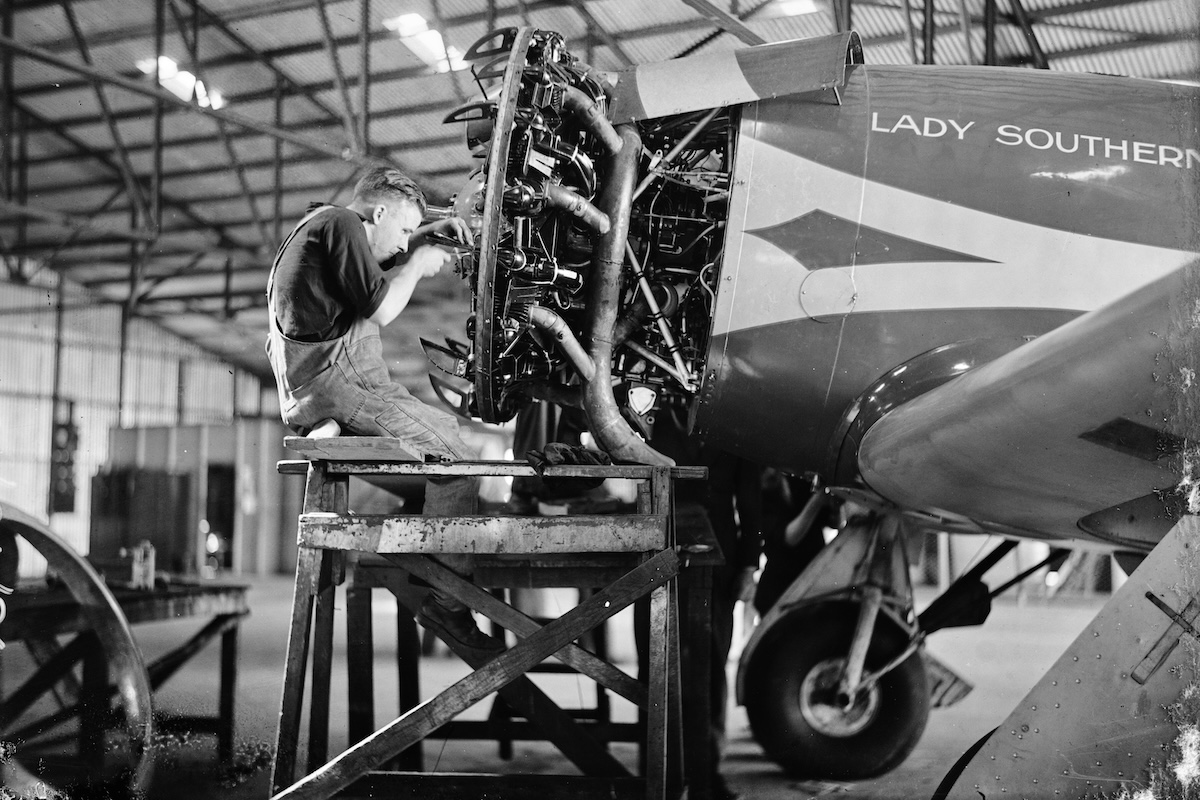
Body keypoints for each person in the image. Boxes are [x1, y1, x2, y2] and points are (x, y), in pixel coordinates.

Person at [265, 166, 502, 656]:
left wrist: (420, 237)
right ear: (377, 213)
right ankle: (448, 606)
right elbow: (380, 308)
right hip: (342, 385)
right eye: (401, 230)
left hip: (313, 391)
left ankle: (419, 561)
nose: (401, 246)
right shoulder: (343, 224)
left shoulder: (319, 228)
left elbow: (368, 273)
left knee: (434, 458)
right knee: (458, 459)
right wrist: (417, 265)